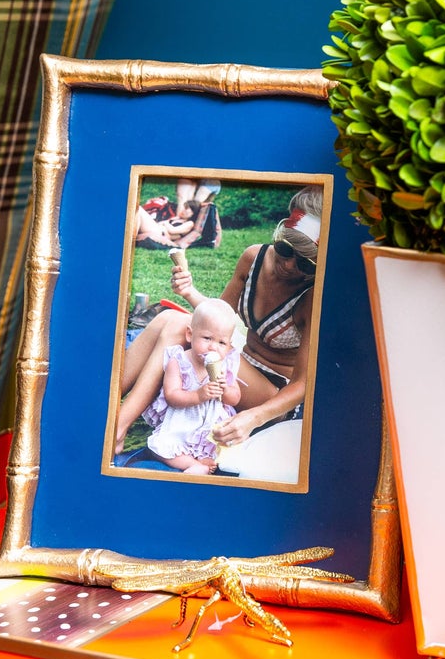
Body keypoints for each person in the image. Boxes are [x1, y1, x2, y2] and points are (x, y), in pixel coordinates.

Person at [111, 186, 321, 456]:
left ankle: (117, 427)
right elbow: (220, 318)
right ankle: (106, 407)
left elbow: (302, 384)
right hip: (238, 359)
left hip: (273, 395)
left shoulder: (311, 295)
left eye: (306, 263)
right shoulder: (254, 258)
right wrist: (189, 292)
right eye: (285, 249)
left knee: (178, 326)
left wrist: (253, 418)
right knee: (169, 318)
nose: (289, 265)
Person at [140, 298, 244, 474]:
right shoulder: (179, 361)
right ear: (190, 334)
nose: (213, 347)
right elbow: (172, 396)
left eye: (222, 343)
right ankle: (191, 464)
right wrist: (198, 395)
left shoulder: (225, 365)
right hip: (183, 421)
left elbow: (235, 398)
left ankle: (205, 460)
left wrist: (226, 389)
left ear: (229, 345)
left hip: (211, 424)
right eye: (207, 338)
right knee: (160, 448)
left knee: (226, 448)